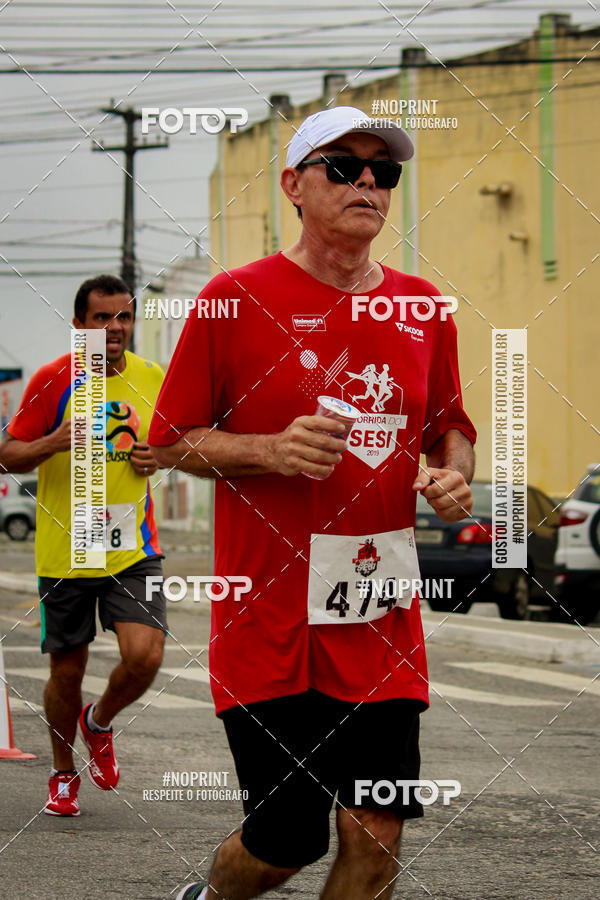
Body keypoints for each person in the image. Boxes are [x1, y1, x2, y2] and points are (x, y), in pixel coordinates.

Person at [149, 106, 476, 900]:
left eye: (383, 170)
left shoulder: (422, 308)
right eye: (344, 165)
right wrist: (265, 449)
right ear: (294, 184)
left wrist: (451, 475)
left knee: (379, 827)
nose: (368, 180)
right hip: (271, 623)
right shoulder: (233, 299)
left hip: (380, 620)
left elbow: (451, 431)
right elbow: (165, 443)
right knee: (285, 839)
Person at [0, 274, 166, 817]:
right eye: (101, 319)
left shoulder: (153, 378)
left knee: (145, 657)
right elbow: (8, 454)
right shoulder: (53, 380)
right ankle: (63, 770)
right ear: (79, 326)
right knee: (66, 672)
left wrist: (156, 457)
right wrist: (53, 440)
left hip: (133, 547)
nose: (114, 328)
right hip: (67, 550)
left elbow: (176, 443)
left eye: (123, 317)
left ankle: (98, 722)